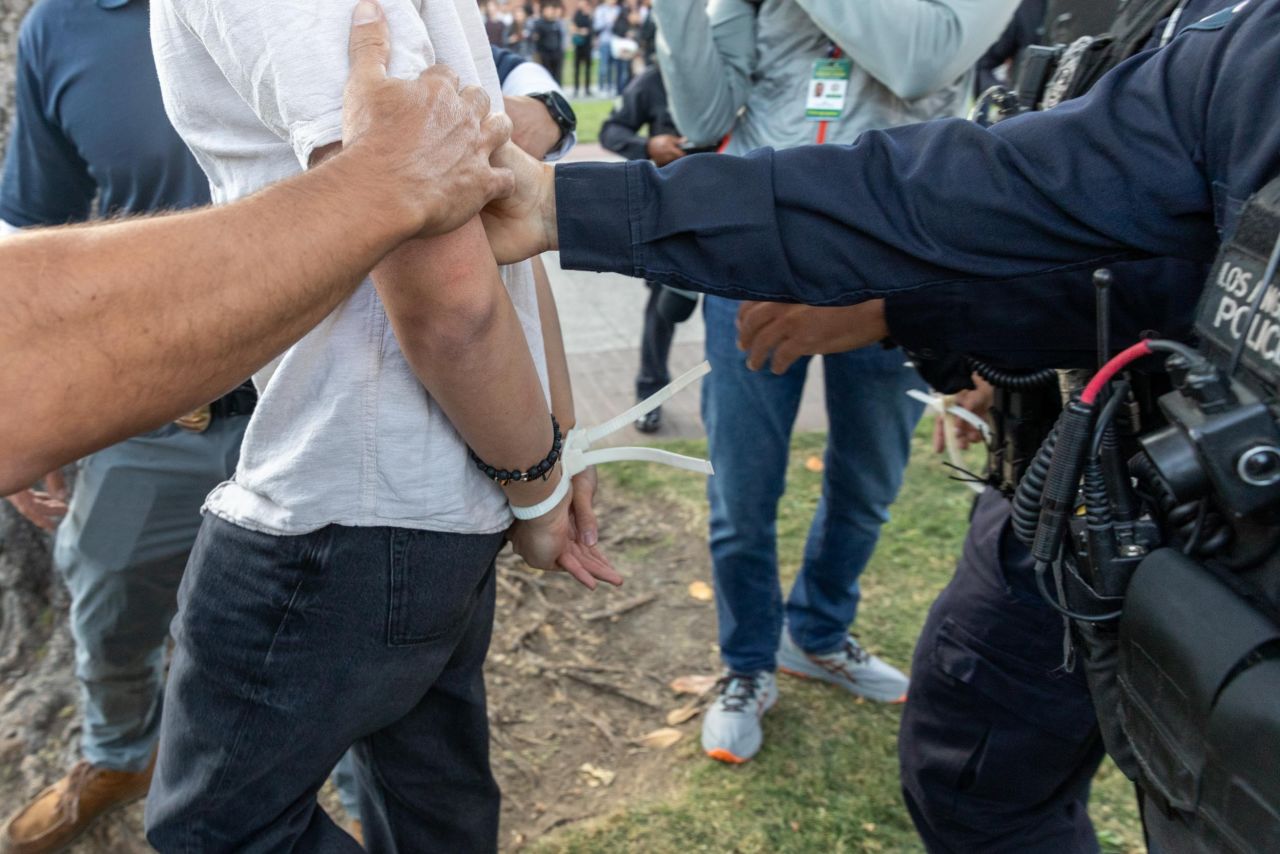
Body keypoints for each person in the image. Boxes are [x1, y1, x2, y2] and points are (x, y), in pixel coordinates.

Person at [144, 0, 614, 850]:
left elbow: (451, 282)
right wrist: (551, 446)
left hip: (347, 490)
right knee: (432, 805)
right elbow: (501, 226)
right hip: (436, 480)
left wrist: (542, 483)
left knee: (214, 830)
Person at [647, 0, 1018, 765]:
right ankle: (748, 664)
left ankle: (816, 632)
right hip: (757, 250)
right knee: (741, 492)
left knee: (866, 482)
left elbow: (920, 59)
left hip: (895, 263)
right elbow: (705, 113)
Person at [0, 5, 513, 502]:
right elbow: (31, 214)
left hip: (326, 422)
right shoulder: (58, 24)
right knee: (123, 582)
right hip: (146, 437)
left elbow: (456, 69)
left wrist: (541, 109)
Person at [599, 65, 691, 433]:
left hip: (737, 212)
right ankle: (649, 396)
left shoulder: (745, 74)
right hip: (673, 214)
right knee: (663, 311)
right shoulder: (657, 80)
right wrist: (649, 146)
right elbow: (611, 129)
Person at [530, 2, 566, 84]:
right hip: (545, 54)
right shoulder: (539, 23)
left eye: (551, 9)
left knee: (557, 75)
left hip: (556, 53)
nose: (550, 12)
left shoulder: (556, 23)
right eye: (548, 9)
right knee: (547, 75)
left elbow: (560, 38)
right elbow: (535, 38)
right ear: (544, 11)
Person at [593, 0, 621, 94]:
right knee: (603, 65)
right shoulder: (601, 10)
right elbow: (597, 26)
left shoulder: (618, 9)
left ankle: (610, 86)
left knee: (613, 66)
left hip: (616, 41)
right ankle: (601, 87)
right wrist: (609, 21)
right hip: (604, 40)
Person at [571, 0, 595, 97]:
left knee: (588, 68)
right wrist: (580, 31)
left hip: (588, 45)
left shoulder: (590, 15)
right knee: (577, 68)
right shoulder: (577, 14)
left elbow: (593, 29)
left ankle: (587, 89)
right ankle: (576, 88)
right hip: (579, 44)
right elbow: (572, 27)